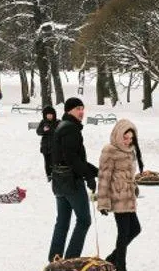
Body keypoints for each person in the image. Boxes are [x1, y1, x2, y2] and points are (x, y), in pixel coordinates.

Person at [47, 97, 98, 263]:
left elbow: (68, 157)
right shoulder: (71, 129)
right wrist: (89, 176)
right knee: (84, 220)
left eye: (82, 108)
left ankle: (55, 259)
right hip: (71, 182)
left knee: (62, 221)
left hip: (59, 182)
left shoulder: (61, 126)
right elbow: (72, 159)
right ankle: (70, 260)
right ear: (69, 111)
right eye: (77, 109)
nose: (81, 112)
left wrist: (94, 171)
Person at [97, 119, 143, 271]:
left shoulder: (130, 150)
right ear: (118, 134)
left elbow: (129, 174)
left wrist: (134, 186)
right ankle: (120, 266)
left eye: (131, 138)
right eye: (125, 137)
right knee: (123, 234)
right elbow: (104, 177)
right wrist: (103, 203)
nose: (128, 141)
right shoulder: (110, 150)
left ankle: (112, 259)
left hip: (129, 198)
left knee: (135, 229)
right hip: (117, 198)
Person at [36, 106, 58, 181]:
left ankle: (55, 174)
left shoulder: (58, 122)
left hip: (55, 146)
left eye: (50, 114)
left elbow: (60, 132)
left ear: (53, 115)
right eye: (47, 115)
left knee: (54, 161)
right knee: (47, 161)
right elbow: (38, 131)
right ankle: (48, 175)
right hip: (45, 145)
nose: (49, 116)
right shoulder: (43, 122)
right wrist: (43, 130)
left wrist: (52, 130)